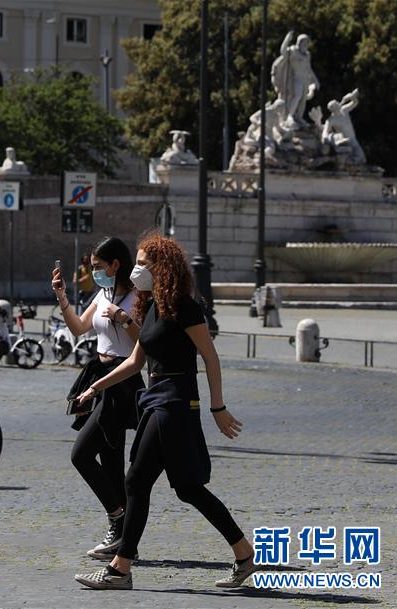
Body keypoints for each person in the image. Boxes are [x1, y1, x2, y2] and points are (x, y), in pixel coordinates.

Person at [73, 233, 256, 590]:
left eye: (143, 263)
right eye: (137, 262)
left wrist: (217, 406)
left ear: (163, 266)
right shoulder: (154, 305)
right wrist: (96, 387)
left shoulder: (185, 306)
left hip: (174, 402)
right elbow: (135, 361)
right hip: (155, 399)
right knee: (188, 488)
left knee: (135, 481)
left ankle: (119, 569)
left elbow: (210, 357)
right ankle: (245, 555)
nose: (137, 269)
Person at [51, 237, 144, 561]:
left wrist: (123, 318)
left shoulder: (135, 297)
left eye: (98, 267)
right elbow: (78, 328)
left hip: (122, 379)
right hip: (100, 376)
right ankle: (121, 534)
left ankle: (119, 520)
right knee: (111, 458)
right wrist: (62, 296)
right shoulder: (102, 293)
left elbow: (143, 341)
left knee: (82, 455)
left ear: (115, 265)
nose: (94, 272)